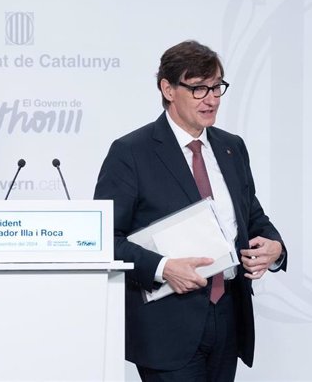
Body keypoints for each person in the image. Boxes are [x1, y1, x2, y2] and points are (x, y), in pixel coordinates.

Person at [94, 40, 286, 381]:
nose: (211, 99)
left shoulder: (231, 147)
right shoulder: (131, 152)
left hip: (228, 315)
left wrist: (276, 247)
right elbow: (102, 238)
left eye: (216, 87)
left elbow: (252, 215)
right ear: (167, 88)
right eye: (198, 89)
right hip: (167, 325)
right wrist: (164, 267)